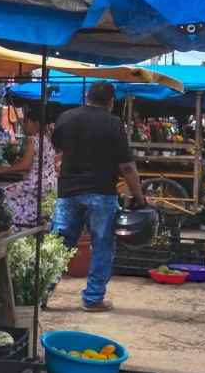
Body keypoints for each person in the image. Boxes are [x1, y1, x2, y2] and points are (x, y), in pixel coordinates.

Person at [50, 81, 146, 313]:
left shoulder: (65, 118)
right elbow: (127, 167)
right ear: (111, 103)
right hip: (101, 194)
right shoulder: (114, 124)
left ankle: (41, 292)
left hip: (68, 194)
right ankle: (93, 299)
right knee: (102, 246)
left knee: (59, 246)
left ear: (86, 96)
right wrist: (140, 197)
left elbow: (58, 147)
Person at [0, 105, 56, 227]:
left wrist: (2, 170)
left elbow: (25, 165)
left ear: (37, 124)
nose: (23, 125)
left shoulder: (33, 140)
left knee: (3, 194)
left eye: (26, 122)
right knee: (35, 209)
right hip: (50, 182)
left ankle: (16, 228)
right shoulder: (48, 138)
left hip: (35, 183)